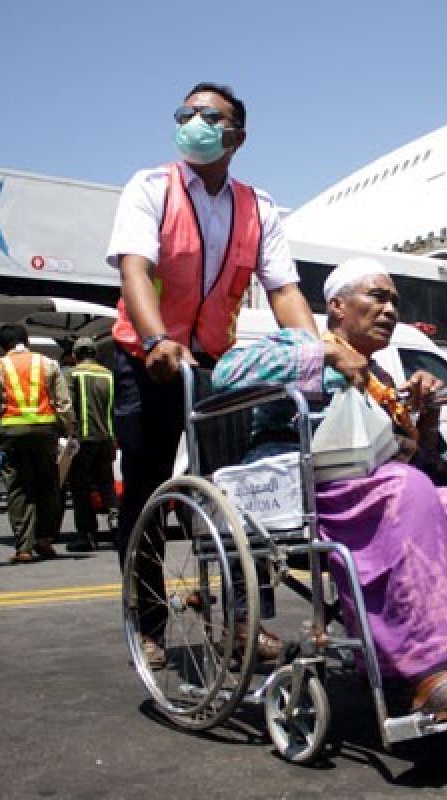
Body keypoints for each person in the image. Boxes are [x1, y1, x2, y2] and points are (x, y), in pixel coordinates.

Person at [211, 257, 447, 723]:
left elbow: (414, 461)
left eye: (394, 300)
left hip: (375, 486)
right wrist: (323, 356)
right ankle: (431, 674)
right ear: (336, 306)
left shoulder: (380, 378)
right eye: (377, 296)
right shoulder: (304, 342)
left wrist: (425, 416)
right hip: (305, 489)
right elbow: (225, 374)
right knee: (404, 488)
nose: (389, 309)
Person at [107, 81, 322, 667]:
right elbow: (136, 270)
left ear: (237, 136)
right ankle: (148, 622)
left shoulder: (259, 208)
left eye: (210, 114)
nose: (195, 121)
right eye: (186, 113)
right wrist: (155, 339)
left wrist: (314, 352)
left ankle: (242, 621)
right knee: (149, 495)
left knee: (242, 494)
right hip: (146, 359)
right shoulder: (151, 188)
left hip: (213, 366)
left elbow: (285, 293)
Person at [0, 324, 76, 563]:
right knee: (48, 485)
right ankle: (44, 540)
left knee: (18, 489)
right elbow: (63, 402)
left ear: (2, 345)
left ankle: (24, 547)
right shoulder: (47, 363)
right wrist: (69, 428)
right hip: (45, 433)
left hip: (12, 434)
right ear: (27, 340)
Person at [63, 337, 118, 552]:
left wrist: (68, 433)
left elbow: (68, 407)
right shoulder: (108, 374)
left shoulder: (73, 373)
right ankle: (116, 528)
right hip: (107, 439)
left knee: (81, 488)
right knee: (106, 485)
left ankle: (86, 535)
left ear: (76, 355)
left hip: (84, 440)